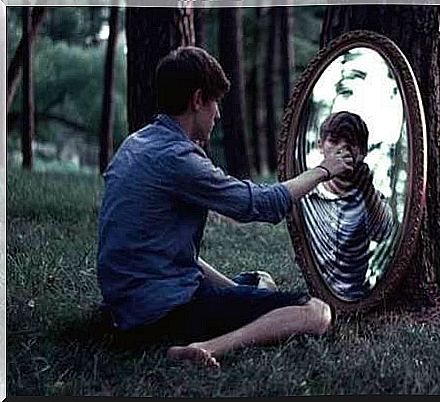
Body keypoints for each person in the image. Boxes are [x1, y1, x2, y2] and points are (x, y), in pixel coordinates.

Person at [97, 46, 355, 368]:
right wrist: (323, 170)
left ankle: (236, 312)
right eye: (215, 102)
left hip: (123, 309)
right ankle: (208, 347)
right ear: (197, 100)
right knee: (317, 313)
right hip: (163, 312)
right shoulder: (179, 159)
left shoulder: (133, 145)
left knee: (261, 281)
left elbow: (172, 253)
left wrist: (243, 295)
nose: (218, 114)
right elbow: (261, 203)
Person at [300, 111, 393, 301]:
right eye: (333, 142)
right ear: (320, 146)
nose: (342, 152)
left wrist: (367, 190)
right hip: (313, 297)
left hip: (357, 298)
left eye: (351, 144)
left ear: (363, 152)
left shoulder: (370, 198)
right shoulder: (306, 194)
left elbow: (383, 233)